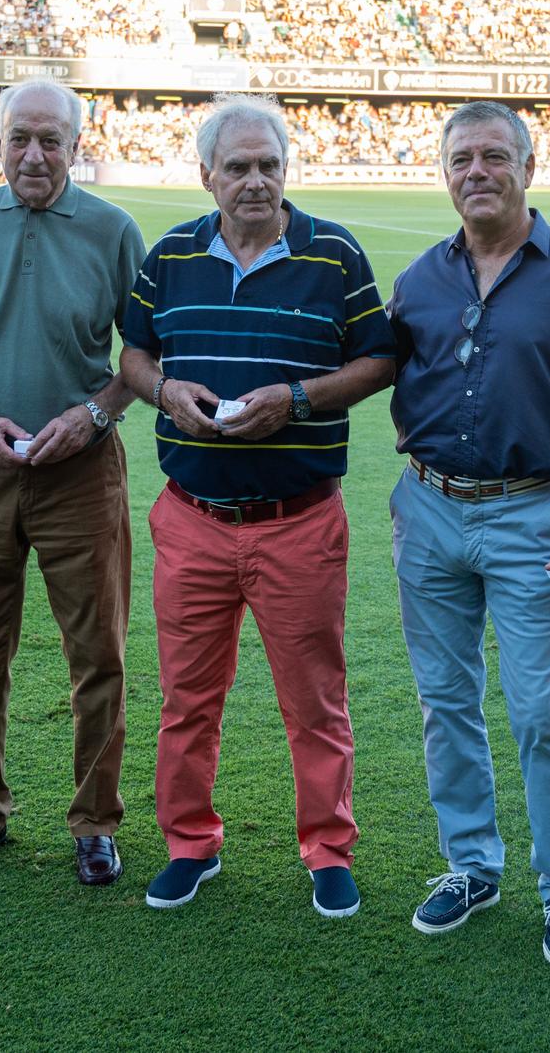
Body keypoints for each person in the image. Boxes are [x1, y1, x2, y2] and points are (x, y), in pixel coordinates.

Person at [118, 93, 394, 918]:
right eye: (237, 167)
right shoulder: (169, 255)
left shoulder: (334, 254)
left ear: (286, 169)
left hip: (299, 519)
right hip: (193, 517)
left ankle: (328, 849)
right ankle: (190, 843)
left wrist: (298, 400)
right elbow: (133, 352)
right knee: (186, 696)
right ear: (206, 175)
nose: (255, 181)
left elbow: (377, 360)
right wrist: (165, 391)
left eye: (269, 164)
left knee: (315, 697)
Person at [386, 100, 550, 969]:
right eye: (463, 157)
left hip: (532, 512)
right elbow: (397, 377)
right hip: (427, 509)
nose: (478, 171)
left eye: (496, 155)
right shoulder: (422, 277)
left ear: (528, 166)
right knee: (445, 701)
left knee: (541, 710)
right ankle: (471, 864)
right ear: (445, 171)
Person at [0, 79, 145, 887]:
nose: (34, 155)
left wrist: (94, 414)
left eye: (51, 140)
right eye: (20, 139)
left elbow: (141, 365)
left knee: (98, 654)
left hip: (81, 476)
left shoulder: (114, 232)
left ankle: (95, 822)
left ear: (78, 146)